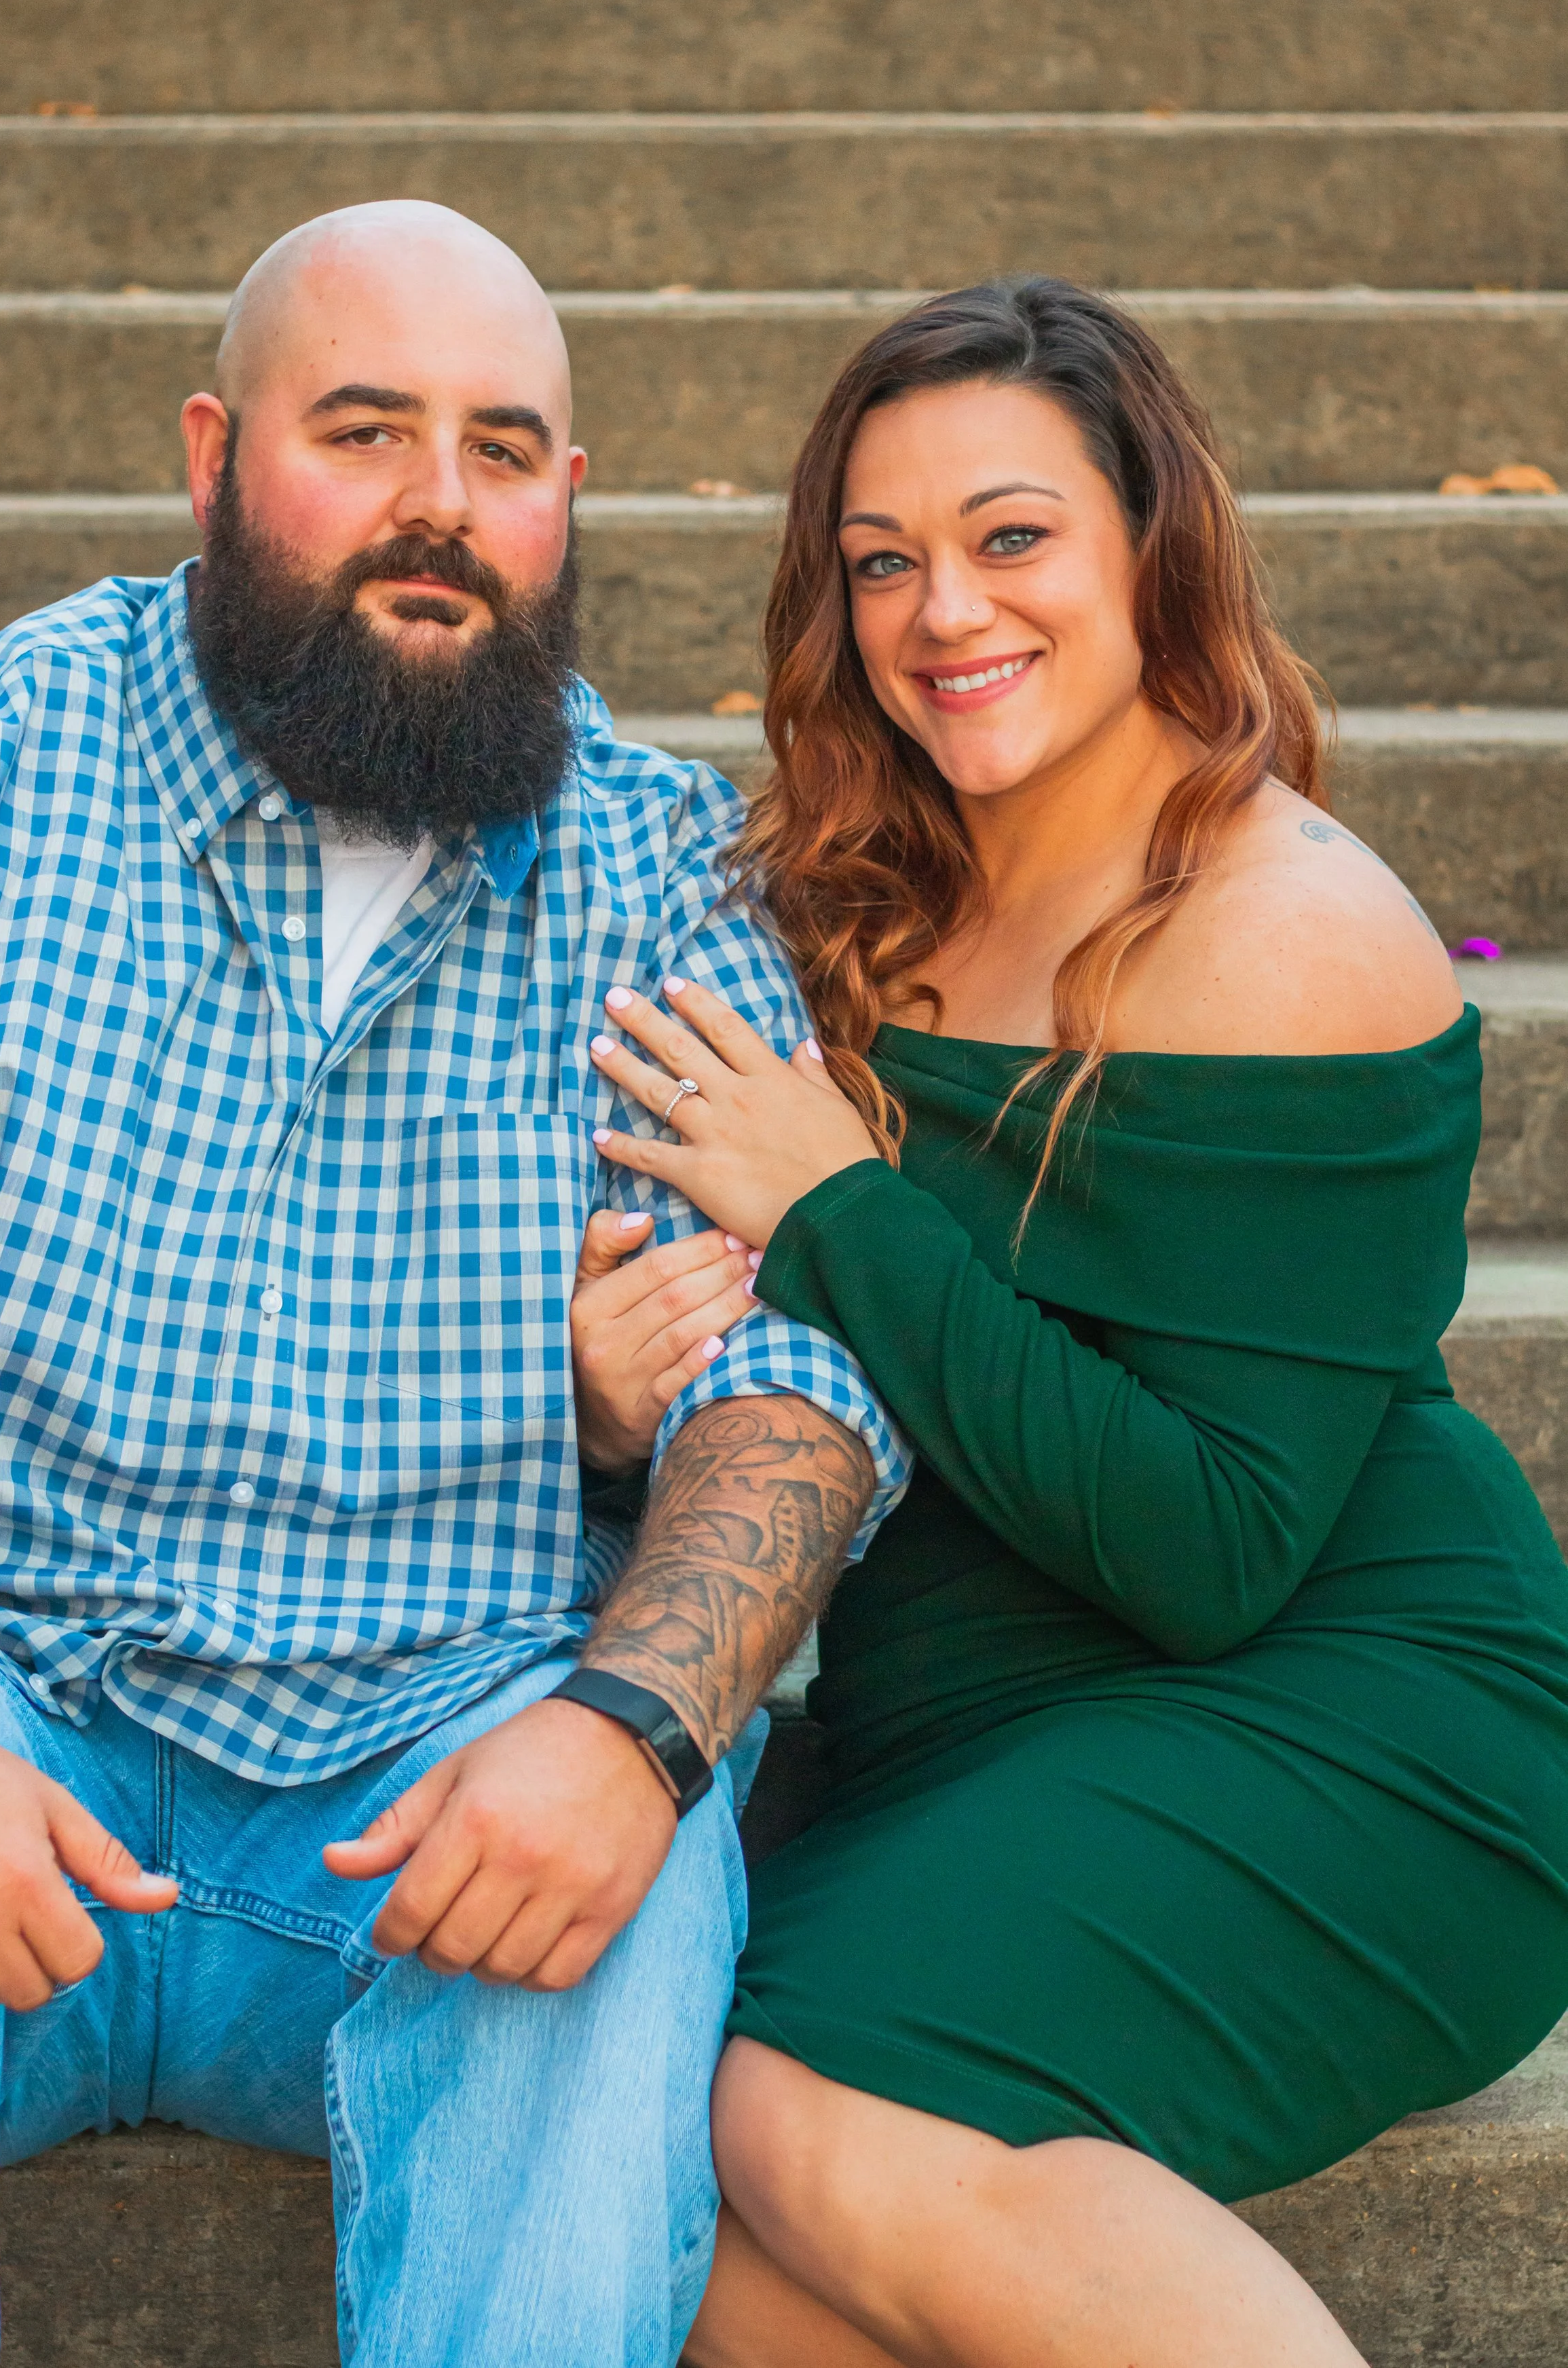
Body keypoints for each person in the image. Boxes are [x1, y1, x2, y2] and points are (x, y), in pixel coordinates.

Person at [0, 200, 910, 2368]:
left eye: (501, 450)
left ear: (566, 500)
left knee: (624, 1889)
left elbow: (797, 1381)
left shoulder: (658, 868)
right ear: (211, 457)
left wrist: (631, 1732)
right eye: (363, 431)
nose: (439, 504)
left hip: (432, 1777)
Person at [574, 277, 1568, 2367]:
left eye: (1010, 535)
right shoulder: (837, 893)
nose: (944, 610)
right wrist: (612, 1391)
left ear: (1149, 544)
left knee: (788, 2101)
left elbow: (1210, 1546)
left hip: (1344, 1724)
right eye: (880, 561)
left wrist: (837, 1207)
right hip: (960, 1729)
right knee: (602, 2141)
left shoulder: (1285, 930)